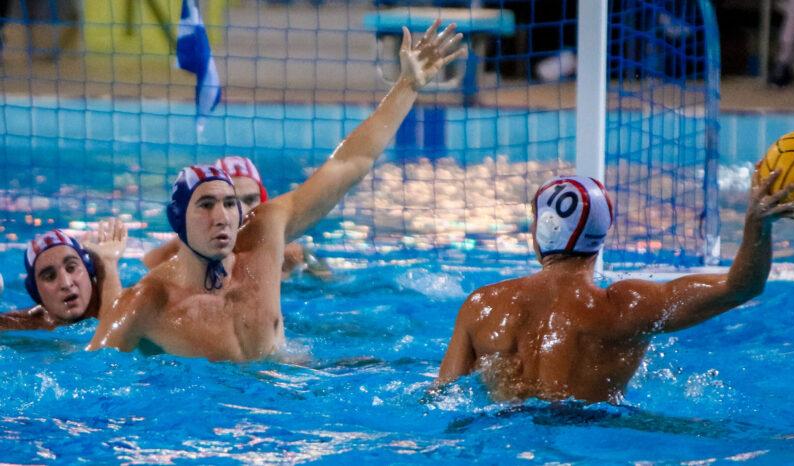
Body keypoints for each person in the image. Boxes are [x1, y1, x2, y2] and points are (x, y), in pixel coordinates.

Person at [87, 20, 467, 361]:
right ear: (177, 221)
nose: (223, 217)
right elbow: (92, 370)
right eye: (206, 205)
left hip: (299, 382)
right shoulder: (148, 301)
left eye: (230, 204)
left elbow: (347, 164)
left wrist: (406, 87)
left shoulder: (265, 237)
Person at [435, 169, 794, 404]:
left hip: (503, 435)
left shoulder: (482, 305)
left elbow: (442, 396)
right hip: (593, 435)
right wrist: (757, 225)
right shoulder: (627, 306)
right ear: (601, 234)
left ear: (541, 229)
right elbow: (742, 286)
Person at [142, 155, 332, 280]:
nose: (242, 211)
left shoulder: (291, 255)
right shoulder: (178, 250)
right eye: (231, 201)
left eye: (250, 200)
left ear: (264, 203)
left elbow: (331, 286)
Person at [0, 220, 128, 331]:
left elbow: (120, 334)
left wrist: (107, 265)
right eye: (50, 277)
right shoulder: (28, 324)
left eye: (71, 268)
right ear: (36, 293)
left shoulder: (129, 302)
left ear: (88, 271)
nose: (66, 284)